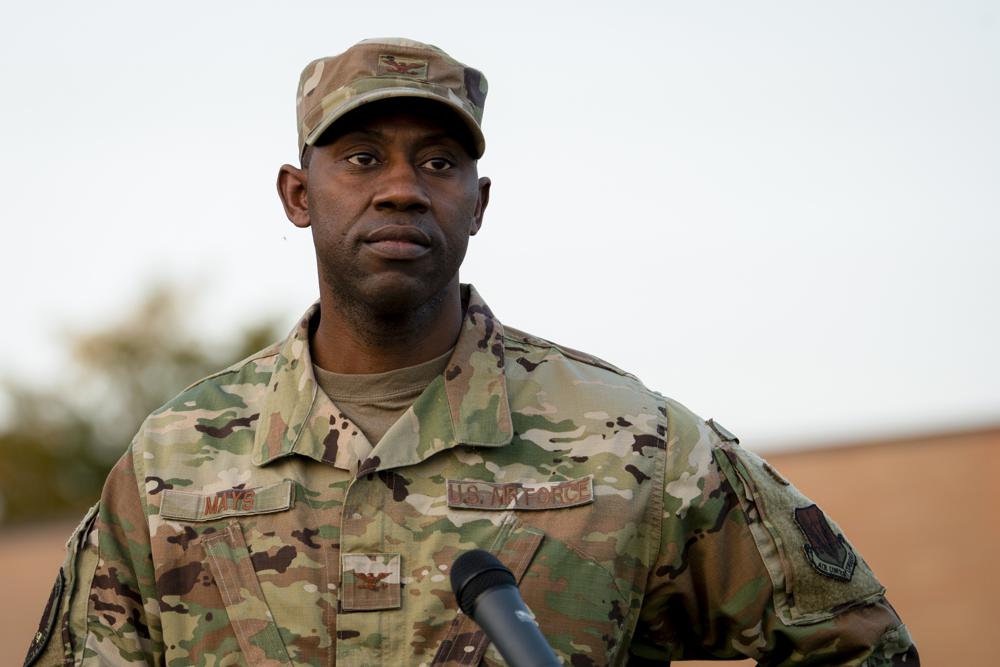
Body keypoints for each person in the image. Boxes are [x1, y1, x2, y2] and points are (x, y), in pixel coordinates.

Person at [25, 37, 918, 666]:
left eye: (440, 162)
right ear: (298, 194)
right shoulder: (174, 461)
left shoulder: (633, 441)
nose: (405, 190)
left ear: (479, 202)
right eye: (363, 158)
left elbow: (857, 643)